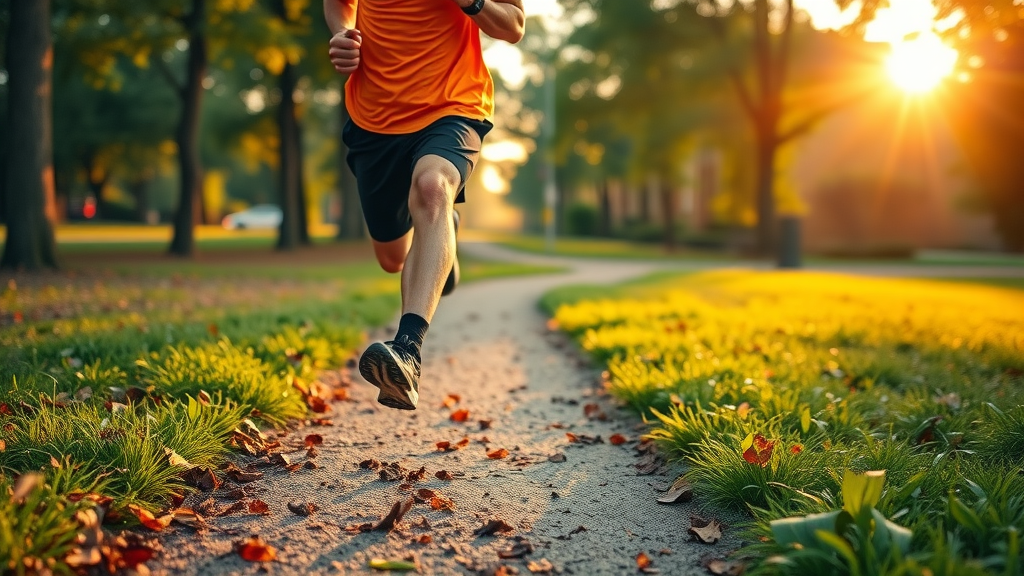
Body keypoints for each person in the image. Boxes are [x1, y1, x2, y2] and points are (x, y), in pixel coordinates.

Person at [323, 0, 525, 410]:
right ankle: (443, 231)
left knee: (433, 186)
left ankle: (408, 350)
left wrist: (474, 3)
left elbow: (513, 24)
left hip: (452, 106)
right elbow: (339, 4)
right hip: (374, 116)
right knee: (392, 257)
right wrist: (343, 33)